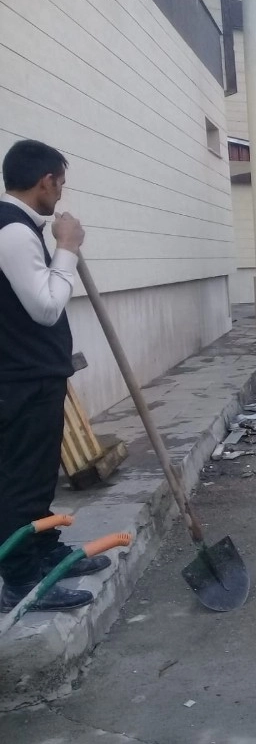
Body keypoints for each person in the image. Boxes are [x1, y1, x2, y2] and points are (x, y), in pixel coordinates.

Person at [0, 139, 109, 614]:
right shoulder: (12, 231)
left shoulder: (21, 227)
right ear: (44, 180)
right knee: (20, 480)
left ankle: (43, 552)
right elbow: (45, 307)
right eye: (60, 184)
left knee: (39, 474)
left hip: (32, 373)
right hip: (19, 378)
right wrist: (66, 247)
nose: (61, 194)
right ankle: (20, 580)